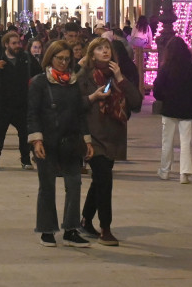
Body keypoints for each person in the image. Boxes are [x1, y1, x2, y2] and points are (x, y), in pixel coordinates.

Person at [77, 36, 142, 246]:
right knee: (105, 181)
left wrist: (120, 78)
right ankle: (106, 228)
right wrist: (93, 97)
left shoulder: (117, 76)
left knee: (99, 180)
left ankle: (86, 219)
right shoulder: (85, 76)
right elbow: (75, 104)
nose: (105, 52)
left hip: (113, 135)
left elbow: (136, 102)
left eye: (107, 49)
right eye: (100, 49)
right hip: (93, 136)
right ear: (92, 53)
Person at [27, 40, 93, 248]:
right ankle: (47, 229)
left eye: (67, 59)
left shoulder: (73, 83)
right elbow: (32, 113)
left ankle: (71, 229)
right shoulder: (39, 82)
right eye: (60, 58)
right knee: (47, 186)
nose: (64, 63)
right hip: (47, 140)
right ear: (51, 58)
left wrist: (86, 139)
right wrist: (36, 139)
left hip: (70, 141)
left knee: (74, 185)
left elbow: (79, 114)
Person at [153, 36, 192, 183]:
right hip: (186, 109)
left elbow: (157, 90)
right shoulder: (191, 69)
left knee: (167, 141)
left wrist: (165, 97)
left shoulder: (165, 68)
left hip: (169, 108)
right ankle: (184, 173)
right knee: (185, 142)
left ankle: (165, 170)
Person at [0, 30, 33, 171]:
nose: (18, 45)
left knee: (24, 134)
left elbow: (37, 73)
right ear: (6, 44)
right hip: (3, 104)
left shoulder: (26, 58)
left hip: (22, 104)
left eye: (19, 42)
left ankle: (26, 160)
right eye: (14, 43)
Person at [129, 15, 152, 84]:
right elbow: (150, 36)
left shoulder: (136, 25)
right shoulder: (147, 26)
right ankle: (143, 59)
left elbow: (132, 35)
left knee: (136, 52)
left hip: (135, 41)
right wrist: (150, 44)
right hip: (143, 41)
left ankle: (135, 60)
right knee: (143, 52)